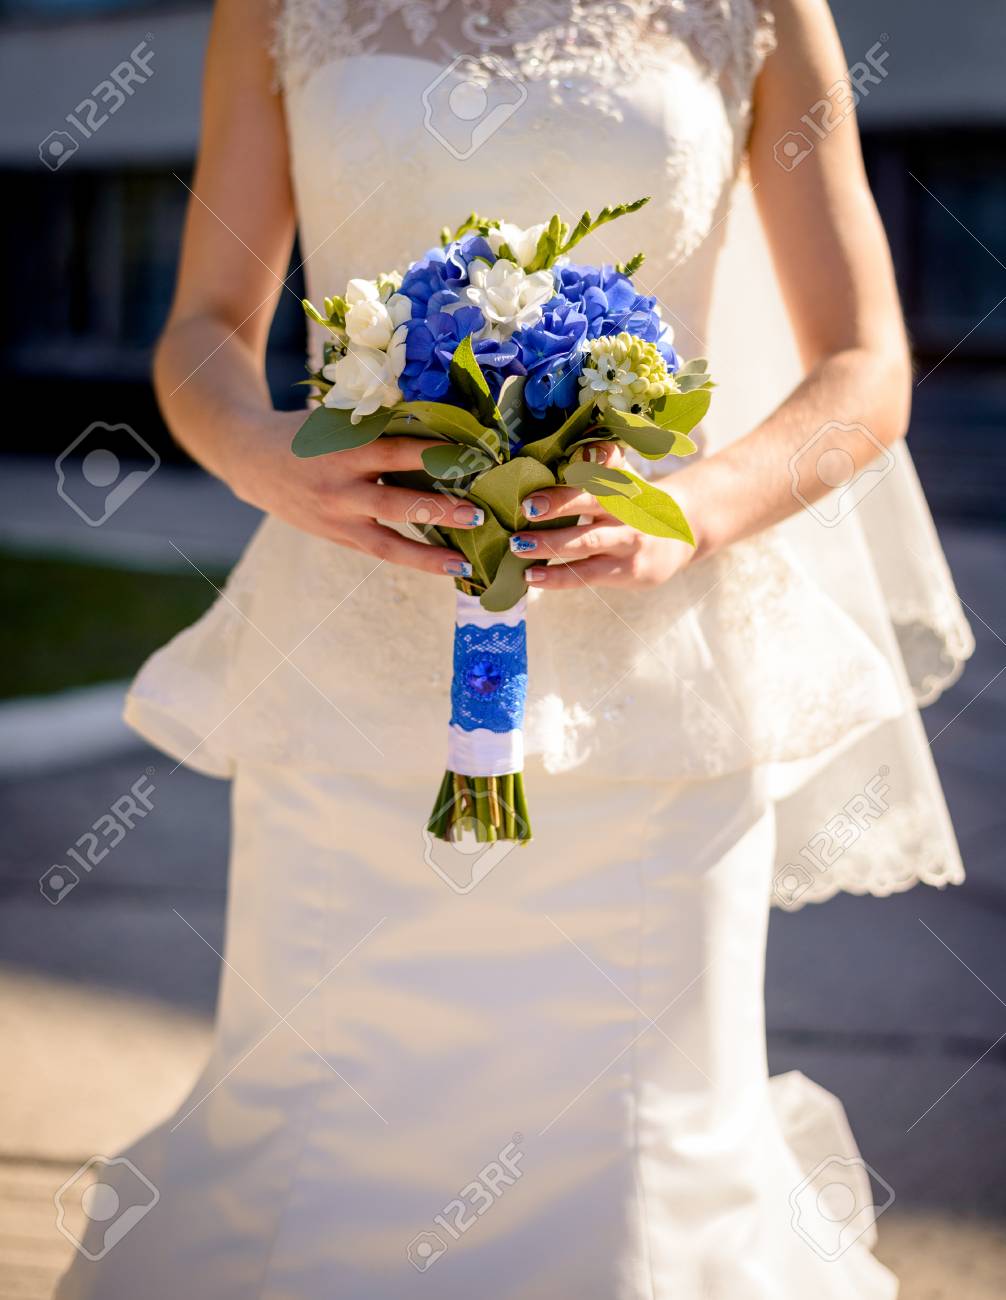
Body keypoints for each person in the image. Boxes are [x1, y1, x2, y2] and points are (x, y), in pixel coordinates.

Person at [56, 2, 972, 1296]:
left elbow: (863, 367)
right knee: (329, 1109)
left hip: (662, 676)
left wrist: (691, 514)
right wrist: (269, 456)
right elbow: (204, 322)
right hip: (353, 652)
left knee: (637, 1142)